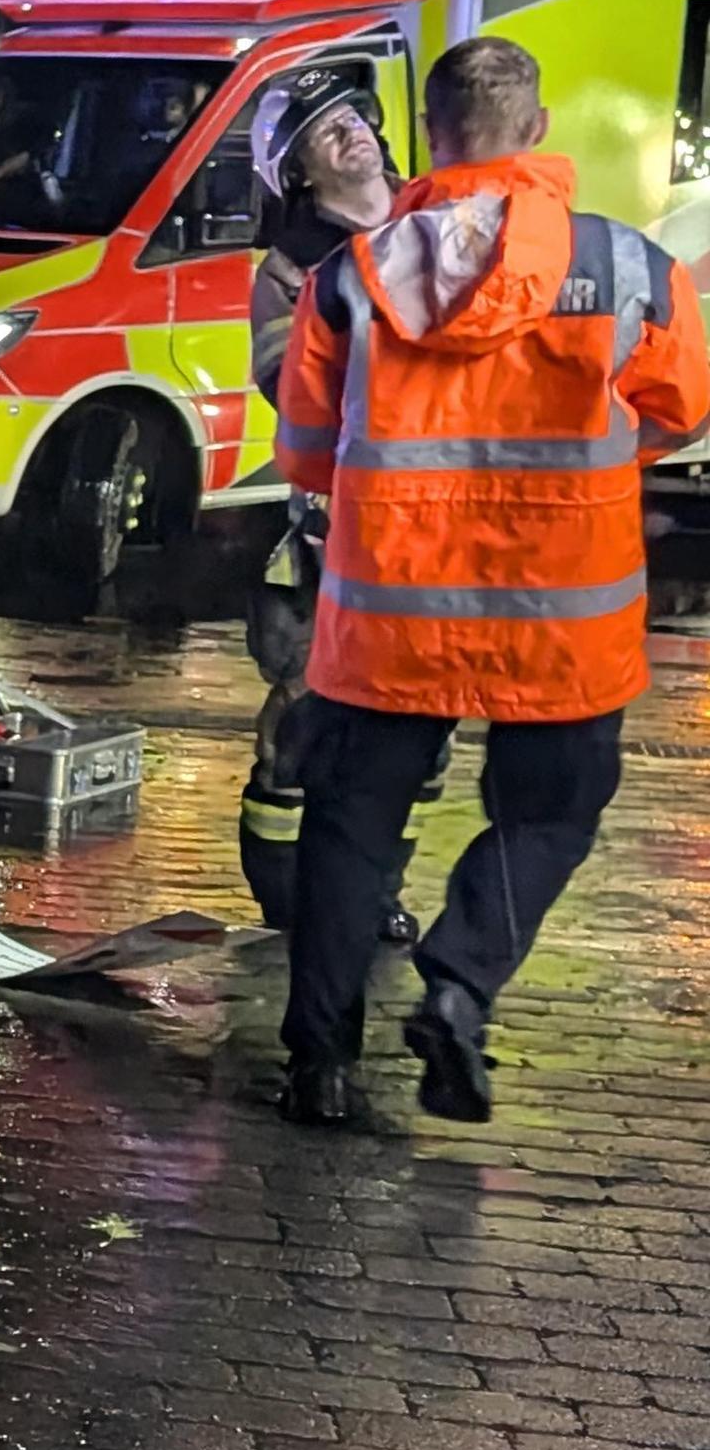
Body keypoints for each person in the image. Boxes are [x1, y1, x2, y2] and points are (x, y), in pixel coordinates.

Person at [271, 37, 708, 1127]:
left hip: (388, 616)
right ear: (539, 129)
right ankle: (460, 987)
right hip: (563, 616)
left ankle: (321, 1066)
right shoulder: (629, 268)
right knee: (549, 814)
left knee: (350, 825)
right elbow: (682, 410)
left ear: (434, 131)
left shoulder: (349, 280)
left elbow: (308, 449)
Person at [237, 65, 431, 936]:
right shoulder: (289, 273)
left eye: (353, 115)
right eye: (324, 130)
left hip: (438, 534)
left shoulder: (440, 219)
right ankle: (286, 902)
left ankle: (378, 891)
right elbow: (290, 387)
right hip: (338, 536)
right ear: (301, 173)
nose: (349, 131)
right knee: (305, 717)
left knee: (423, 728)